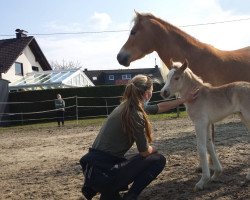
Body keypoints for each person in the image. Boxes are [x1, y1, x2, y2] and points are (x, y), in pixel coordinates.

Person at [80, 75, 198, 200]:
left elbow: (159, 107)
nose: (151, 96)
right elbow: (144, 151)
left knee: (129, 162)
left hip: (93, 170)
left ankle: (100, 190)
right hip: (104, 173)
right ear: (147, 94)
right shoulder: (135, 114)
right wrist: (154, 149)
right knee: (158, 159)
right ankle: (130, 196)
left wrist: (185, 99)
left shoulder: (126, 106)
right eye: (151, 93)